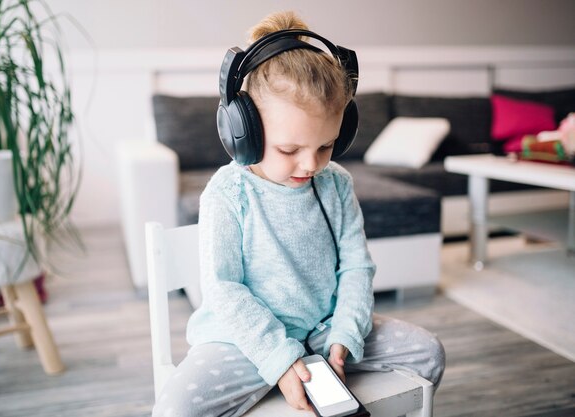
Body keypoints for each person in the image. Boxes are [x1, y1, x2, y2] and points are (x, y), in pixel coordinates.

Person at [155, 11, 445, 417]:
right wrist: (279, 359)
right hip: (244, 340)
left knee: (427, 353)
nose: (310, 165)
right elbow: (224, 289)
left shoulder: (337, 183)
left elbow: (357, 267)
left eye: (326, 146)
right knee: (177, 409)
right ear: (245, 132)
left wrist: (346, 332)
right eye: (289, 150)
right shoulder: (228, 192)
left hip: (323, 329)